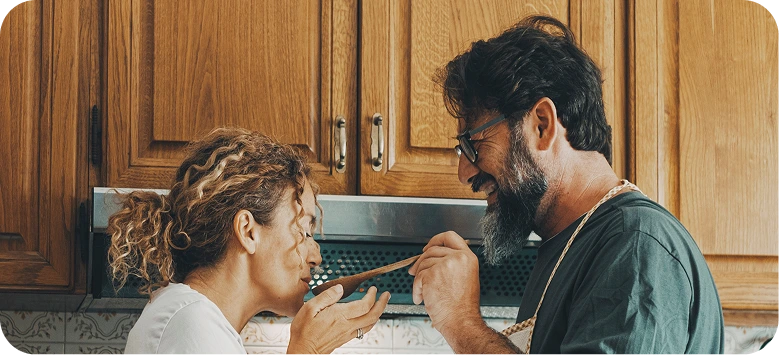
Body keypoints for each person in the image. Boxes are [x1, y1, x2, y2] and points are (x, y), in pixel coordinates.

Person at [409, 15, 724, 355]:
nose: (464, 173)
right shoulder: (568, 246)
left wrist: (461, 321)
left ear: (542, 125)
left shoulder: (635, 244)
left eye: (472, 144)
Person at [108, 128, 390, 355]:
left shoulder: (198, 320)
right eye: (303, 231)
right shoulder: (192, 323)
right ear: (248, 231)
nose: (316, 257)